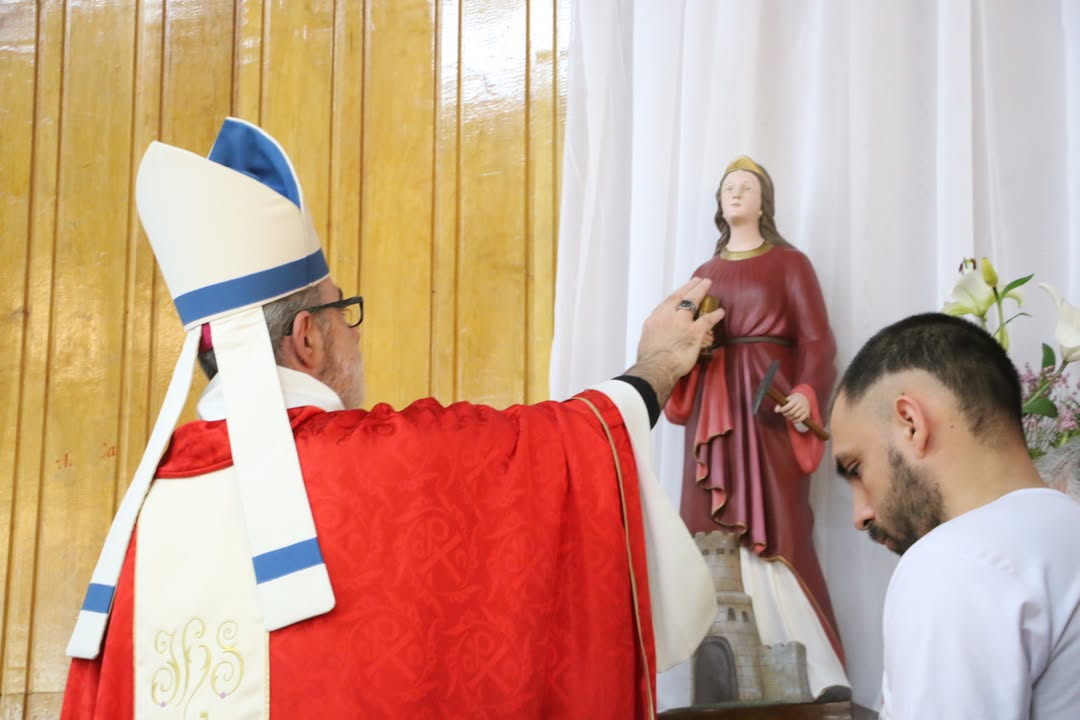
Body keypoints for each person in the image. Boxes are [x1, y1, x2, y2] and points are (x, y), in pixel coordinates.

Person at [60, 119, 725, 719]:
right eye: (340, 311)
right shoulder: (381, 462)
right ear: (307, 340)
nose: (354, 337)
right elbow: (553, 453)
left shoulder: (143, 518)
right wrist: (657, 367)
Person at [830, 312, 1080, 719]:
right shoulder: (1068, 530)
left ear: (911, 423)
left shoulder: (953, 562)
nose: (861, 514)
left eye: (856, 468)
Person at [663, 156, 848, 697]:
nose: (736, 193)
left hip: (768, 408)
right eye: (728, 188)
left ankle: (811, 673)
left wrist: (805, 394)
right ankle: (722, 684)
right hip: (715, 412)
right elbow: (682, 343)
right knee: (713, 534)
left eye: (747, 186)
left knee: (780, 521)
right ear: (719, 204)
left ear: (765, 200)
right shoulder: (705, 275)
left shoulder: (791, 264)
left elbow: (817, 341)